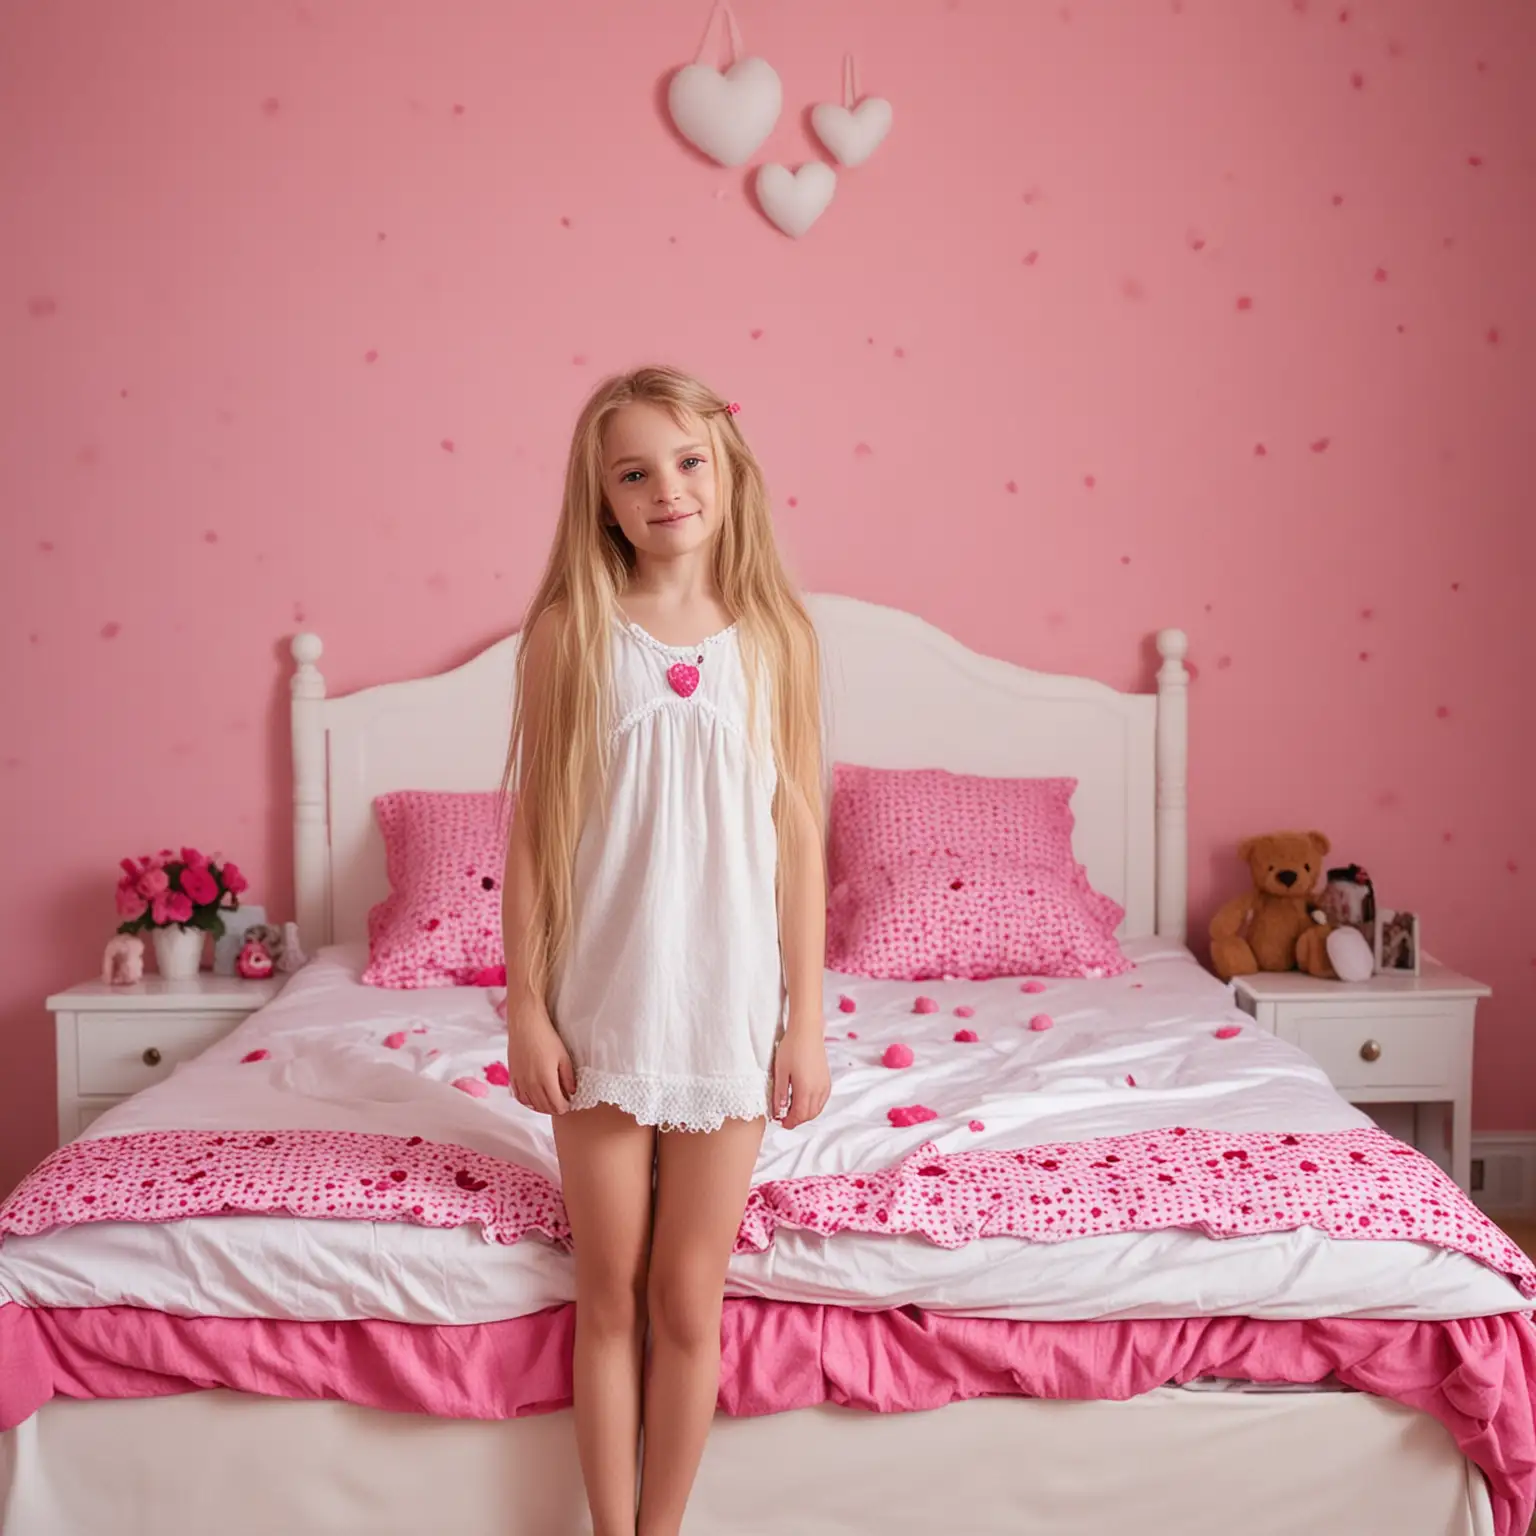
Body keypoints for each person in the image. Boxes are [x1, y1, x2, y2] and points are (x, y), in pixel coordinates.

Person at [501, 365, 830, 1536]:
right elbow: (536, 838)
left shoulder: (780, 640)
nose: (666, 490)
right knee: (608, 1293)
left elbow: (798, 840)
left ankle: (665, 1527)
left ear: (728, 470)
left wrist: (806, 1023)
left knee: (690, 1300)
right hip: (604, 1013)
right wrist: (526, 1010)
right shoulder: (570, 634)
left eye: (687, 463)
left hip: (729, 1016)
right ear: (602, 499)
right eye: (633, 473)